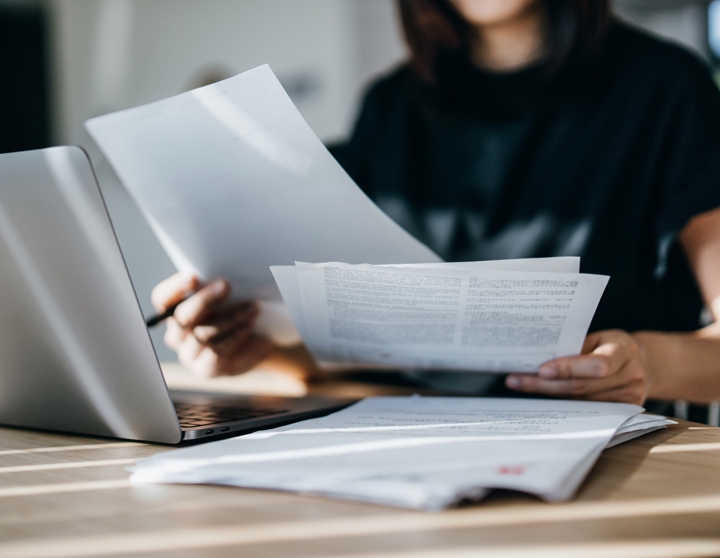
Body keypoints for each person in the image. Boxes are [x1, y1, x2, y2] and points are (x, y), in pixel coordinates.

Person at [151, 0, 720, 406]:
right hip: (406, 444)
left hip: (602, 456)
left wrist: (645, 362)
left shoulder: (670, 89)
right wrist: (249, 350)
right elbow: (371, 358)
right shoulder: (389, 108)